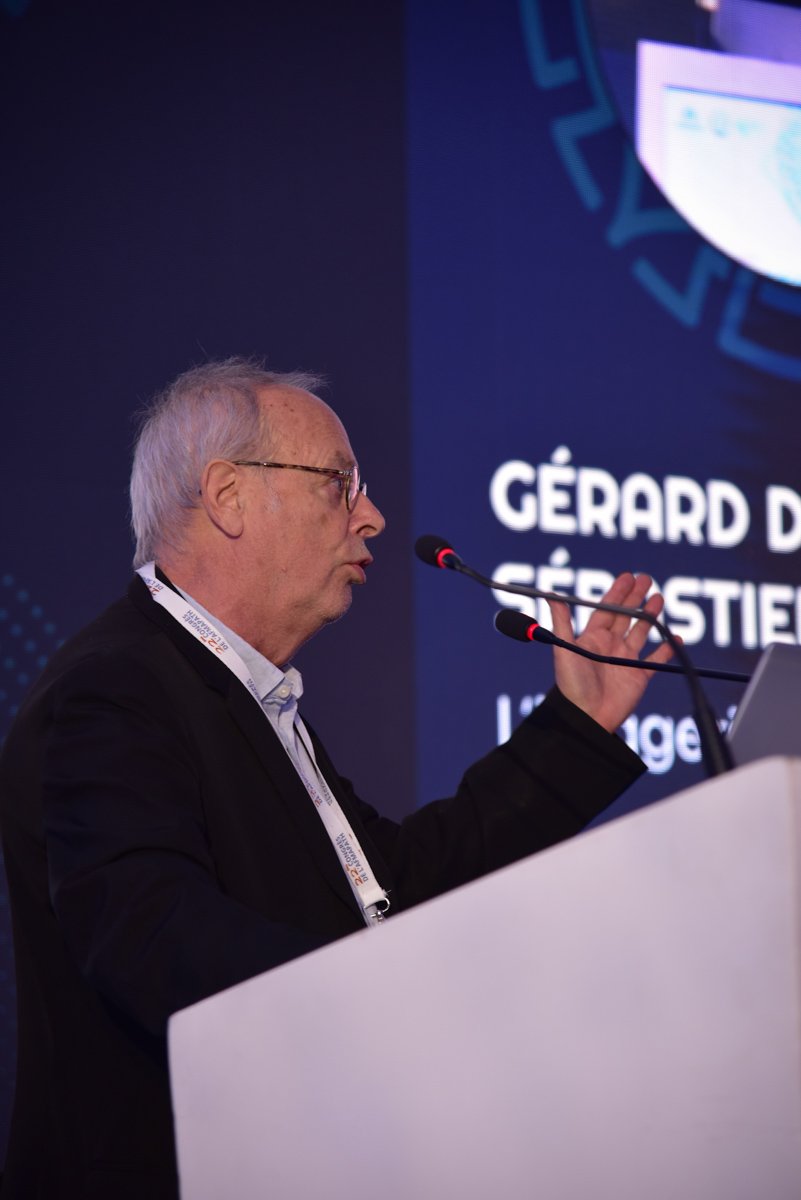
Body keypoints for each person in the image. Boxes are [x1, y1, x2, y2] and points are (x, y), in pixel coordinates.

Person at [0, 359, 672, 1198]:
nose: (373, 516)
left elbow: (394, 888)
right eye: (339, 484)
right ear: (228, 495)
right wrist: (406, 1003)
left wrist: (578, 728)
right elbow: (152, 937)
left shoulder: (235, 692)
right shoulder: (115, 688)